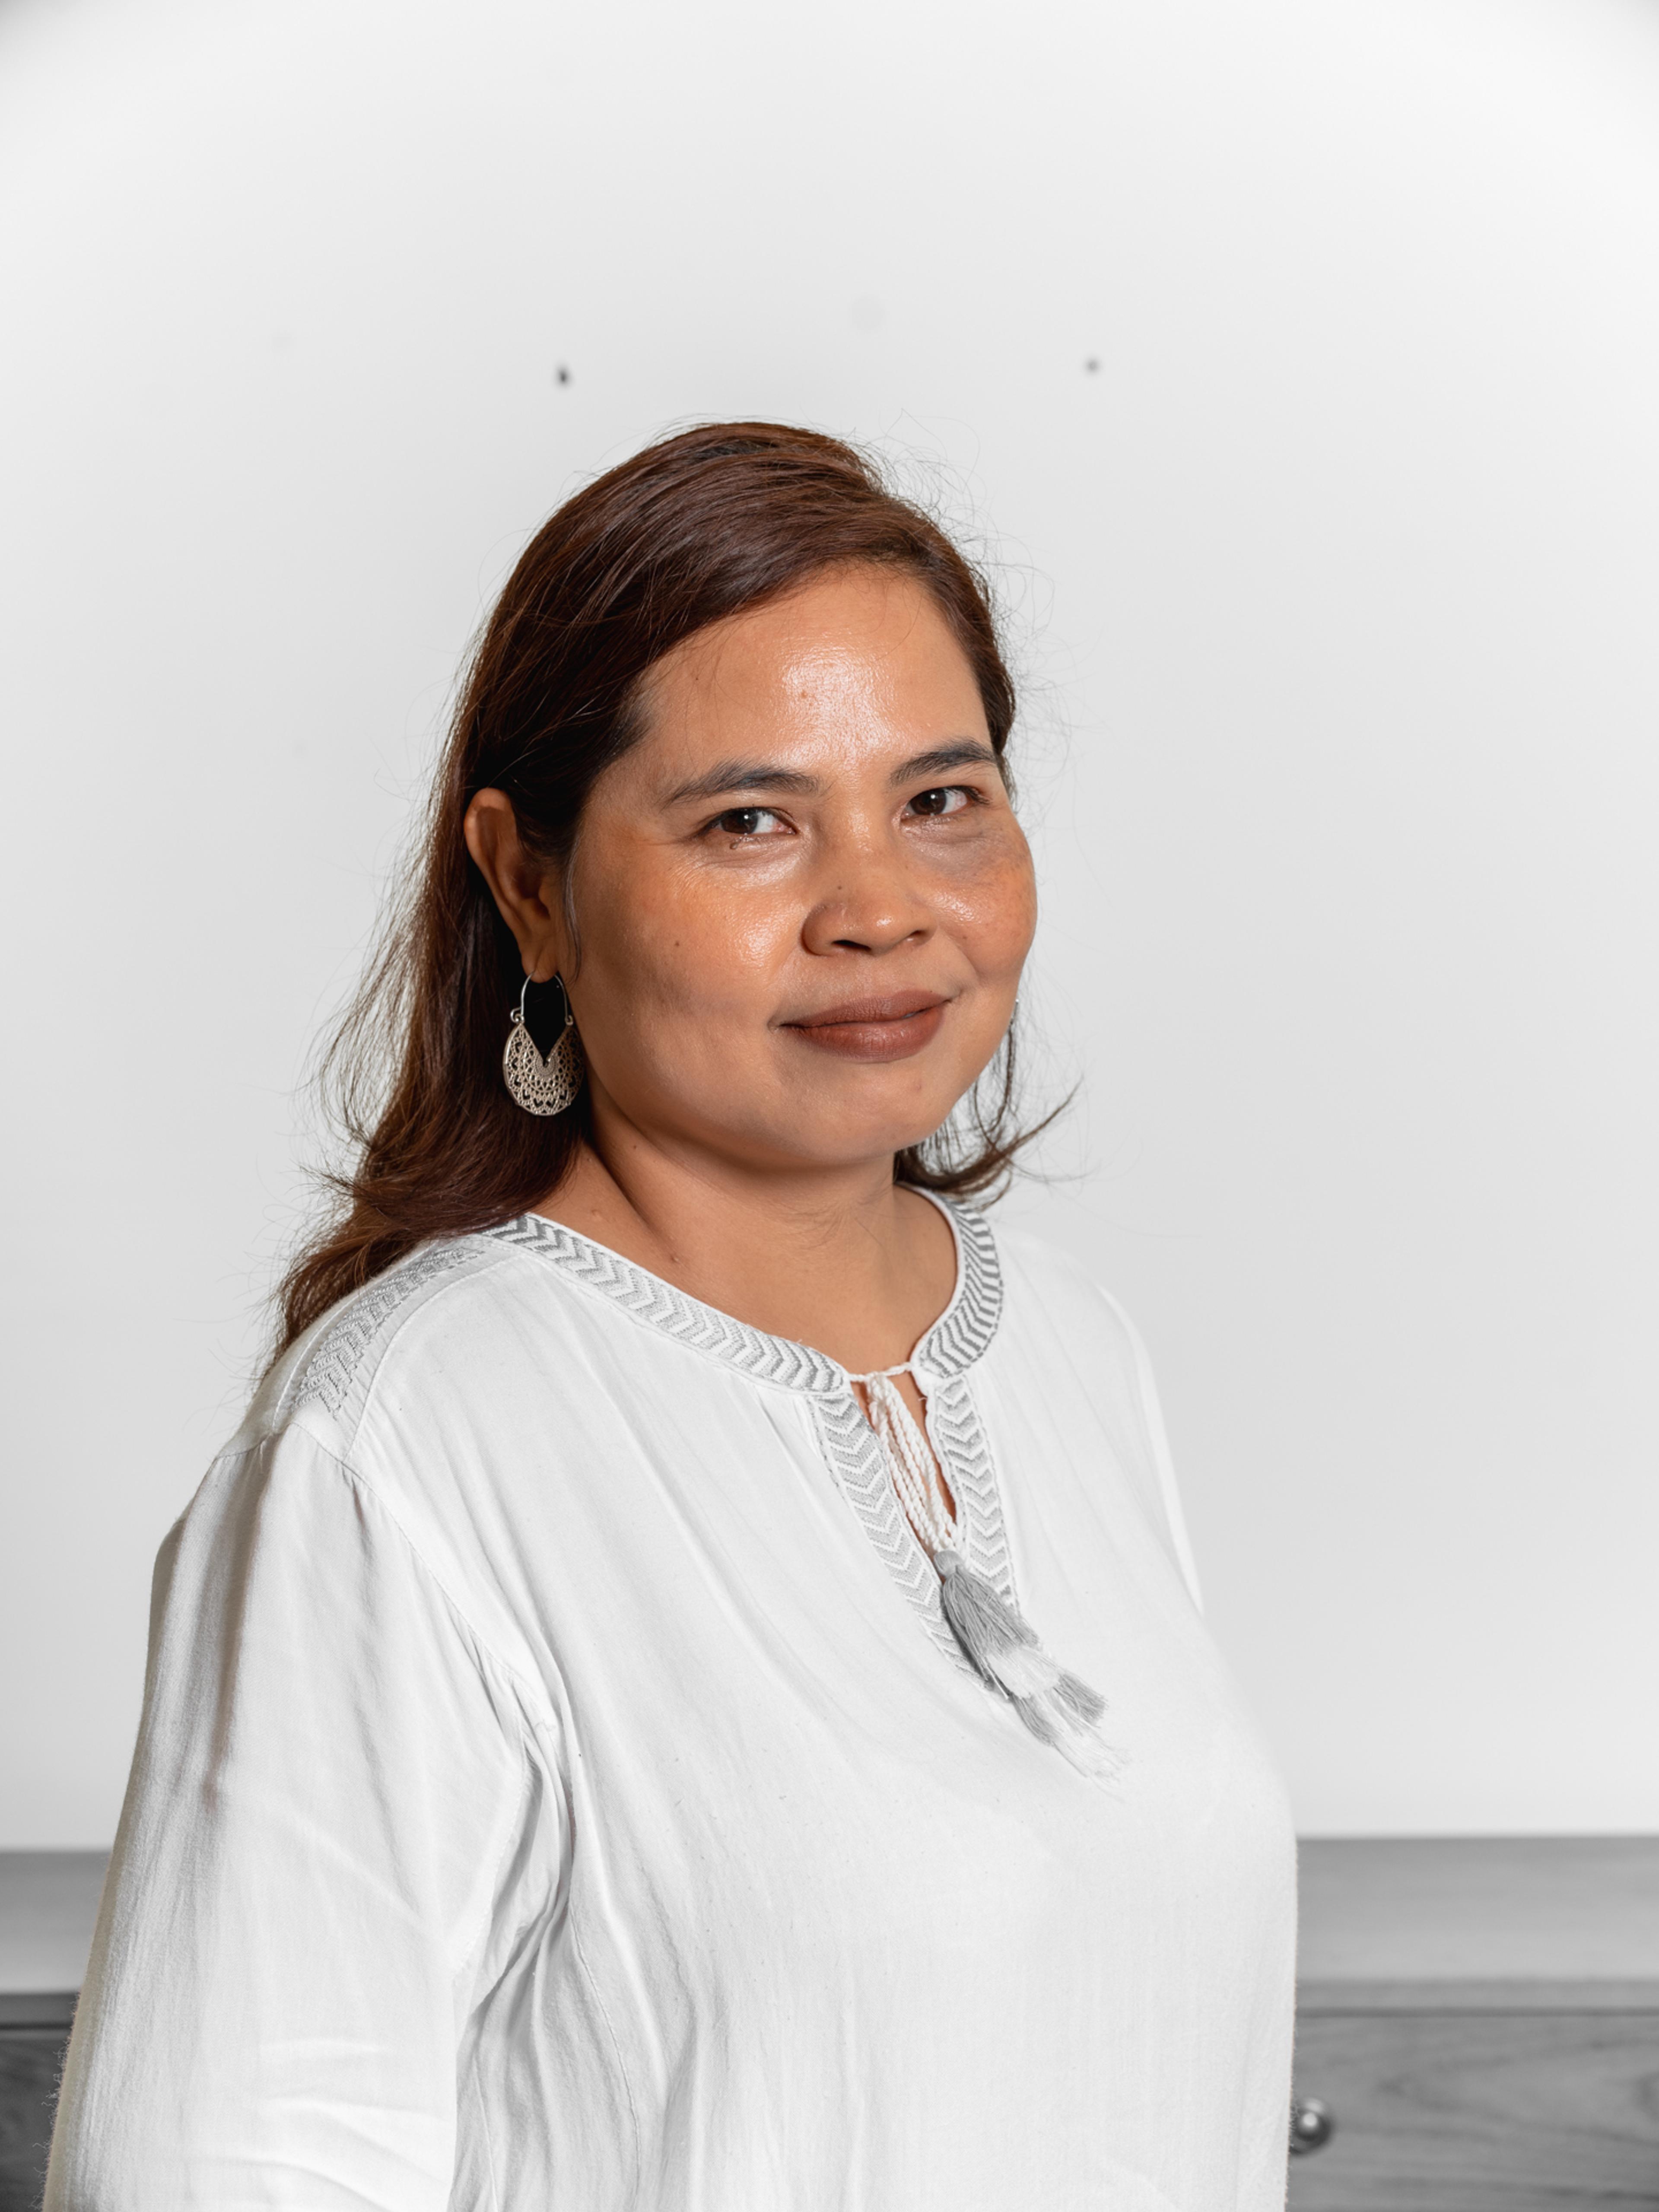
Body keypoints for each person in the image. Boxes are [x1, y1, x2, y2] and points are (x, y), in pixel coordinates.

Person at [46, 423, 1296, 2211]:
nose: (880, 909)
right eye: (749, 822)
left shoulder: (1070, 1349)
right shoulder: (398, 1448)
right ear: (529, 884)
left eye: (942, 800)